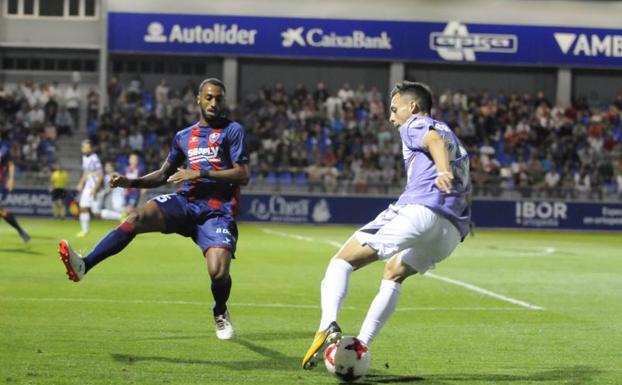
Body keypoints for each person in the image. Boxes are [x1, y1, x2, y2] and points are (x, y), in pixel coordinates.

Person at [58, 78, 250, 340]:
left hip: (216, 211)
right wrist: (131, 182)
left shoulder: (233, 131)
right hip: (184, 203)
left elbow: (243, 174)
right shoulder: (184, 137)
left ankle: (219, 311)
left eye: (218, 98)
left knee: (218, 272)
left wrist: (199, 172)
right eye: (208, 97)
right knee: (135, 217)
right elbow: (163, 175)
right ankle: (84, 265)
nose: (213, 103)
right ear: (198, 99)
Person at [301, 81, 472, 369]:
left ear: (413, 107)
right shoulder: (453, 135)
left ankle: (327, 325)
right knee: (393, 273)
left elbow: (433, 142)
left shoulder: (417, 124)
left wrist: (441, 170)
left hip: (420, 210)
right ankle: (361, 347)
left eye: (394, 110)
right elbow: (458, 171)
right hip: (451, 231)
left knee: (341, 262)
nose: (392, 118)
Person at [0, 131, 30, 242]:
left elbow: (11, 164)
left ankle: (20, 231)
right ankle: (21, 231)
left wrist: (11, 180)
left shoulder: (4, 149)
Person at [75, 139, 104, 237]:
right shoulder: (84, 158)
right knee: (83, 207)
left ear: (90, 149)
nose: (84, 149)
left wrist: (95, 188)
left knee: (97, 213)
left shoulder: (95, 158)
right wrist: (80, 183)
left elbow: (100, 175)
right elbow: (86, 173)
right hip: (88, 187)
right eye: (83, 147)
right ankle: (85, 230)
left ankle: (119, 216)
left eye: (87, 147)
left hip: (94, 187)